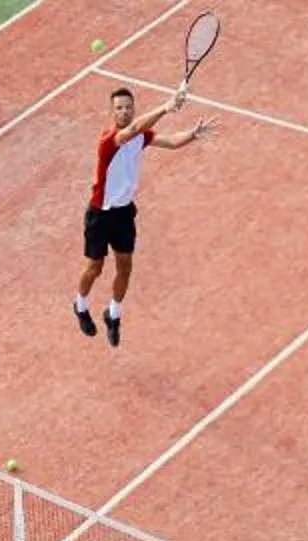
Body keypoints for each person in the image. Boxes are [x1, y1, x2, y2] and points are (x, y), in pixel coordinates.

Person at [72, 82, 214, 350]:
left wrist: (193, 134)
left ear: (133, 107)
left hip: (124, 213)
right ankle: (80, 305)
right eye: (119, 108)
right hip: (100, 215)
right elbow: (135, 128)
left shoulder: (141, 137)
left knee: (125, 266)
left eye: (128, 107)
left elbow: (170, 142)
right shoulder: (108, 141)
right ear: (112, 112)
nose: (124, 111)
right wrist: (167, 107)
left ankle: (113, 315)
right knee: (95, 268)